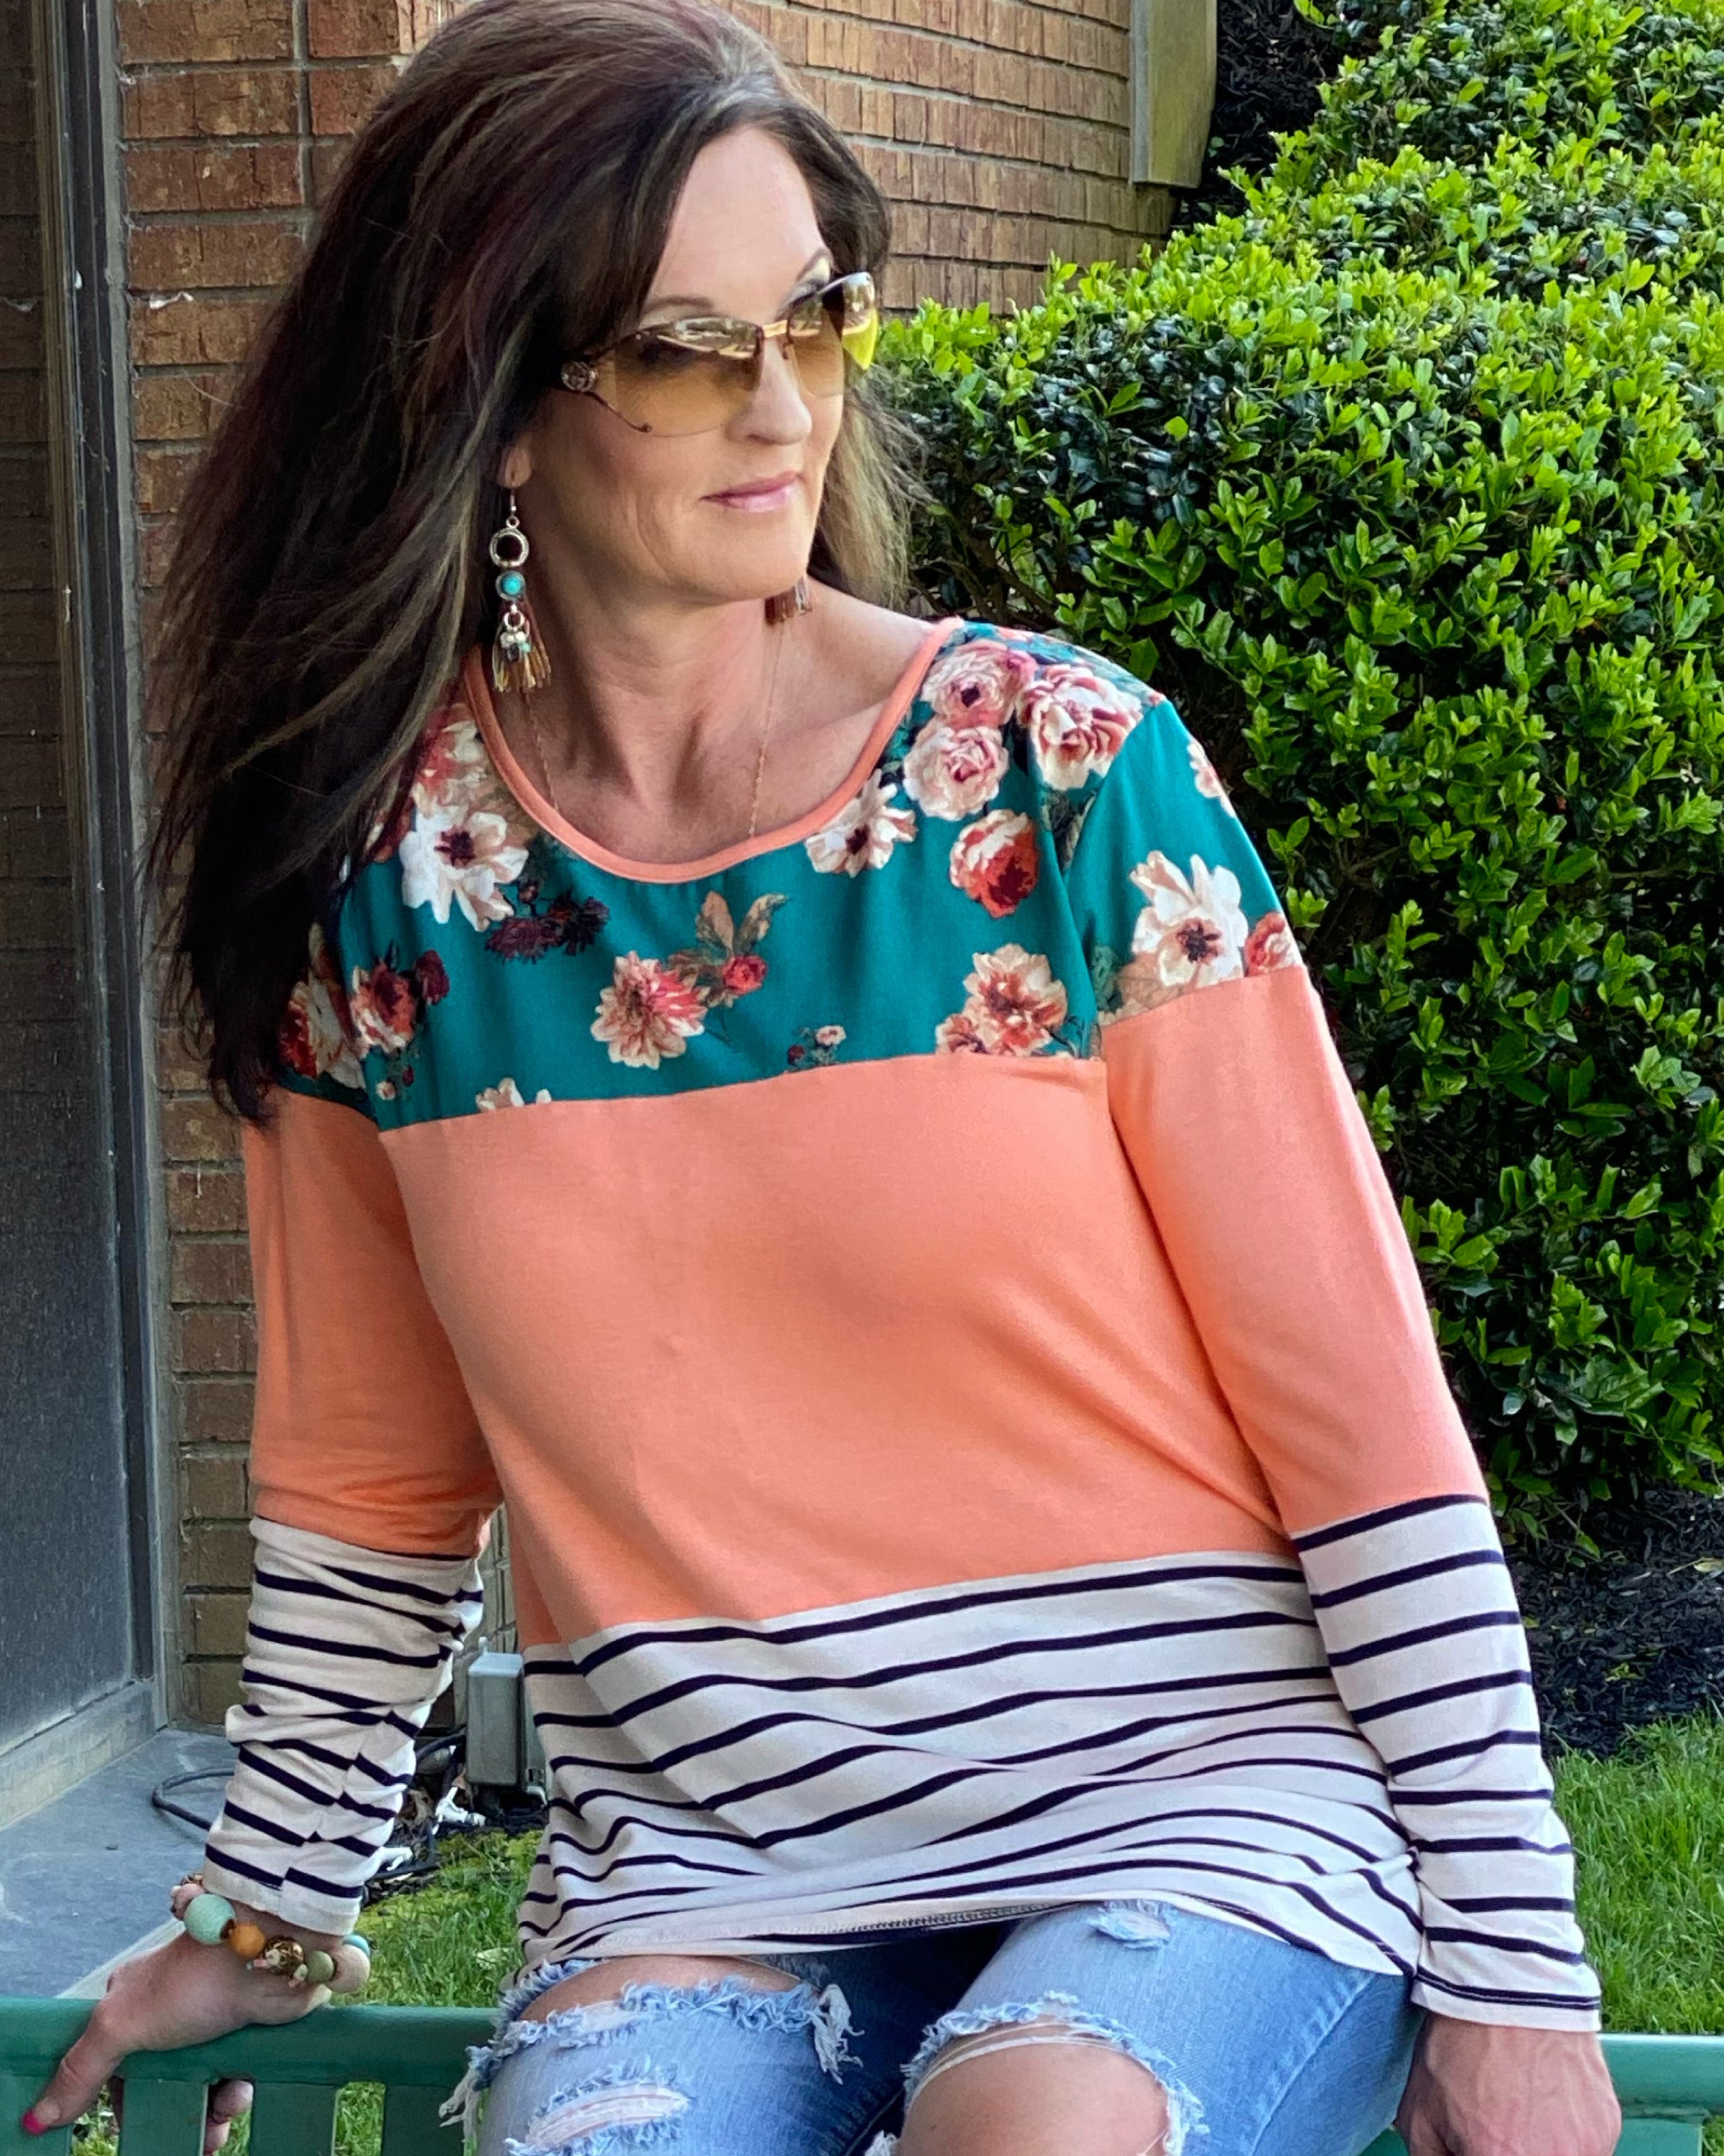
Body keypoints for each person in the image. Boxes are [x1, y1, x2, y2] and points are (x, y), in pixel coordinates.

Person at [29, 3, 1621, 2152]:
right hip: (713, 1868)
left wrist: (1521, 1973)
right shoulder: (384, 908)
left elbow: (1366, 1422)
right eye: (691, 348)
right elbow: (371, 1488)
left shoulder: (1057, 782)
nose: (780, 404)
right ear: (495, 408)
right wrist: (271, 1909)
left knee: (1032, 2125)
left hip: (1201, 1815)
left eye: (817, 318)